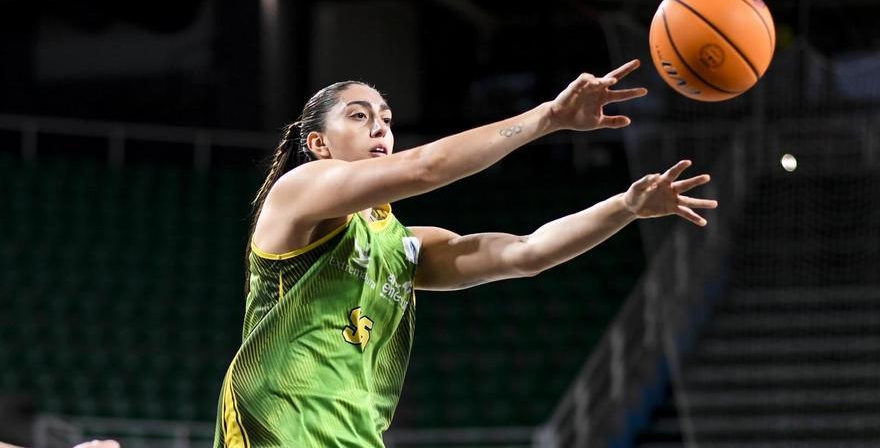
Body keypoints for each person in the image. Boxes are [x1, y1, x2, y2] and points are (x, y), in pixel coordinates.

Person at [214, 59, 717, 447]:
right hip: (275, 425)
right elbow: (428, 167)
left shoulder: (400, 244)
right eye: (359, 115)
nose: (380, 128)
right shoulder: (298, 190)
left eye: (386, 120)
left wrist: (625, 206)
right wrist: (549, 117)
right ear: (319, 143)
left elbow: (527, 253)